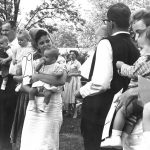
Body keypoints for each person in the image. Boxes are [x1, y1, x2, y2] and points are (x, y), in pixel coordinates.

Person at [75, 3, 140, 150]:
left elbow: (101, 83)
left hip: (99, 111)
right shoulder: (135, 48)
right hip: (124, 111)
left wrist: (80, 92)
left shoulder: (106, 43)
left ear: (111, 23)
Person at [101, 25, 150, 149]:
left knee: (122, 110)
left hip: (139, 100)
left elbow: (133, 71)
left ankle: (116, 137)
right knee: (131, 119)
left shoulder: (146, 59)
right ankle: (123, 139)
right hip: (142, 105)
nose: (136, 38)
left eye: (139, 34)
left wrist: (121, 66)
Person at [19, 28, 67, 150]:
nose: (46, 44)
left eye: (47, 40)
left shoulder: (58, 58)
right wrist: (33, 91)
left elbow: (61, 81)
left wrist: (38, 76)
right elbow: (25, 84)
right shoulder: (29, 59)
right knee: (29, 142)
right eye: (41, 43)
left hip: (52, 104)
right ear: (36, 45)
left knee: (46, 143)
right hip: (34, 104)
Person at [0, 20, 19, 150]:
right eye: (2, 30)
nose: (4, 32)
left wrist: (7, 63)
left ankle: (7, 145)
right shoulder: (1, 44)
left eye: (6, 30)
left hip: (14, 82)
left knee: (8, 115)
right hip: (2, 81)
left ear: (14, 29)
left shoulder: (20, 45)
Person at [29, 47, 63, 112]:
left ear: (54, 58)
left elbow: (60, 73)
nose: (44, 58)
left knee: (48, 94)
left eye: (46, 57)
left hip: (49, 83)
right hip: (41, 82)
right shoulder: (43, 64)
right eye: (44, 56)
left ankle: (44, 106)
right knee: (31, 91)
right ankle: (31, 103)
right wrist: (40, 63)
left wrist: (55, 74)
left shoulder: (57, 65)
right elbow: (36, 69)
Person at [62, 50, 81, 117]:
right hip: (69, 81)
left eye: (73, 54)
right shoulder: (68, 63)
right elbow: (66, 71)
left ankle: (75, 112)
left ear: (76, 55)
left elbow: (80, 73)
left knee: (74, 96)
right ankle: (69, 111)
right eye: (70, 54)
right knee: (68, 96)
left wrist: (72, 73)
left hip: (75, 81)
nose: (71, 55)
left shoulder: (77, 63)